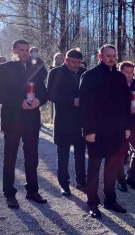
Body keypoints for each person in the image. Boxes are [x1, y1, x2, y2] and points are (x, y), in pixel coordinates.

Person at [0, 39, 48, 209]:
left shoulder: (35, 68)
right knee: (10, 157)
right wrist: (19, 103)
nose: (25, 52)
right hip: (12, 119)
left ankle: (32, 190)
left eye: (27, 50)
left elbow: (44, 92)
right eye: (21, 50)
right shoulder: (2, 69)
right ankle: (9, 194)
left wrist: (39, 100)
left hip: (31, 120)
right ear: (14, 50)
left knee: (32, 157)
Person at [80, 44, 131, 218]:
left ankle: (110, 199)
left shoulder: (120, 77)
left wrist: (127, 127)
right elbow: (85, 106)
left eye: (113, 55)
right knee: (94, 169)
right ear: (99, 56)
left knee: (112, 167)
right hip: (96, 130)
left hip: (116, 131)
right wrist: (88, 130)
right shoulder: (89, 76)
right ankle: (92, 203)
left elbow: (126, 105)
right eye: (108, 55)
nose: (111, 58)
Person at [47, 48, 86, 196]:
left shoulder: (84, 73)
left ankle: (82, 181)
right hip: (63, 120)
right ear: (66, 60)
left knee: (80, 153)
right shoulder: (55, 73)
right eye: (73, 62)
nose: (76, 65)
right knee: (63, 153)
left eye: (78, 62)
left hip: (80, 121)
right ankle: (64, 184)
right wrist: (71, 101)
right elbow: (50, 95)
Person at [117, 61, 135, 192]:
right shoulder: (115, 85)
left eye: (130, 72)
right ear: (120, 72)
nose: (128, 75)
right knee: (120, 153)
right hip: (120, 124)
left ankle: (131, 177)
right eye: (125, 72)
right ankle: (120, 179)